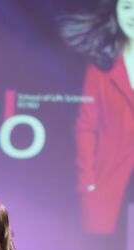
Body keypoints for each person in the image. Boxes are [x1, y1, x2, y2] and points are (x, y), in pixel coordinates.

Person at [59, 0, 134, 234]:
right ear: (115, 12)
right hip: (109, 176)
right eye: (127, 7)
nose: (133, 15)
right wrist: (88, 180)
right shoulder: (101, 67)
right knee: (106, 248)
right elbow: (86, 125)